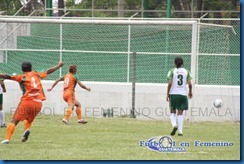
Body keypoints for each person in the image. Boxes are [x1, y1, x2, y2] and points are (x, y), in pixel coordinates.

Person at [0, 61, 63, 144]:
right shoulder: (37, 74)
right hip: (38, 103)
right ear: (31, 68)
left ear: (22, 69)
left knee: (14, 121)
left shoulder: (22, 77)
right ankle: (26, 130)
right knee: (28, 120)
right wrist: (58, 66)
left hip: (27, 101)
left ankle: (7, 139)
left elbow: (7, 76)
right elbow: (48, 71)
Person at [166, 56, 192, 136]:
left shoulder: (171, 71)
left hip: (173, 94)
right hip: (183, 95)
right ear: (182, 63)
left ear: (174, 63)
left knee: (172, 112)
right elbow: (190, 84)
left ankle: (174, 125)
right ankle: (180, 131)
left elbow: (170, 83)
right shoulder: (186, 71)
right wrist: (190, 92)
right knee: (180, 113)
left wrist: (167, 93)